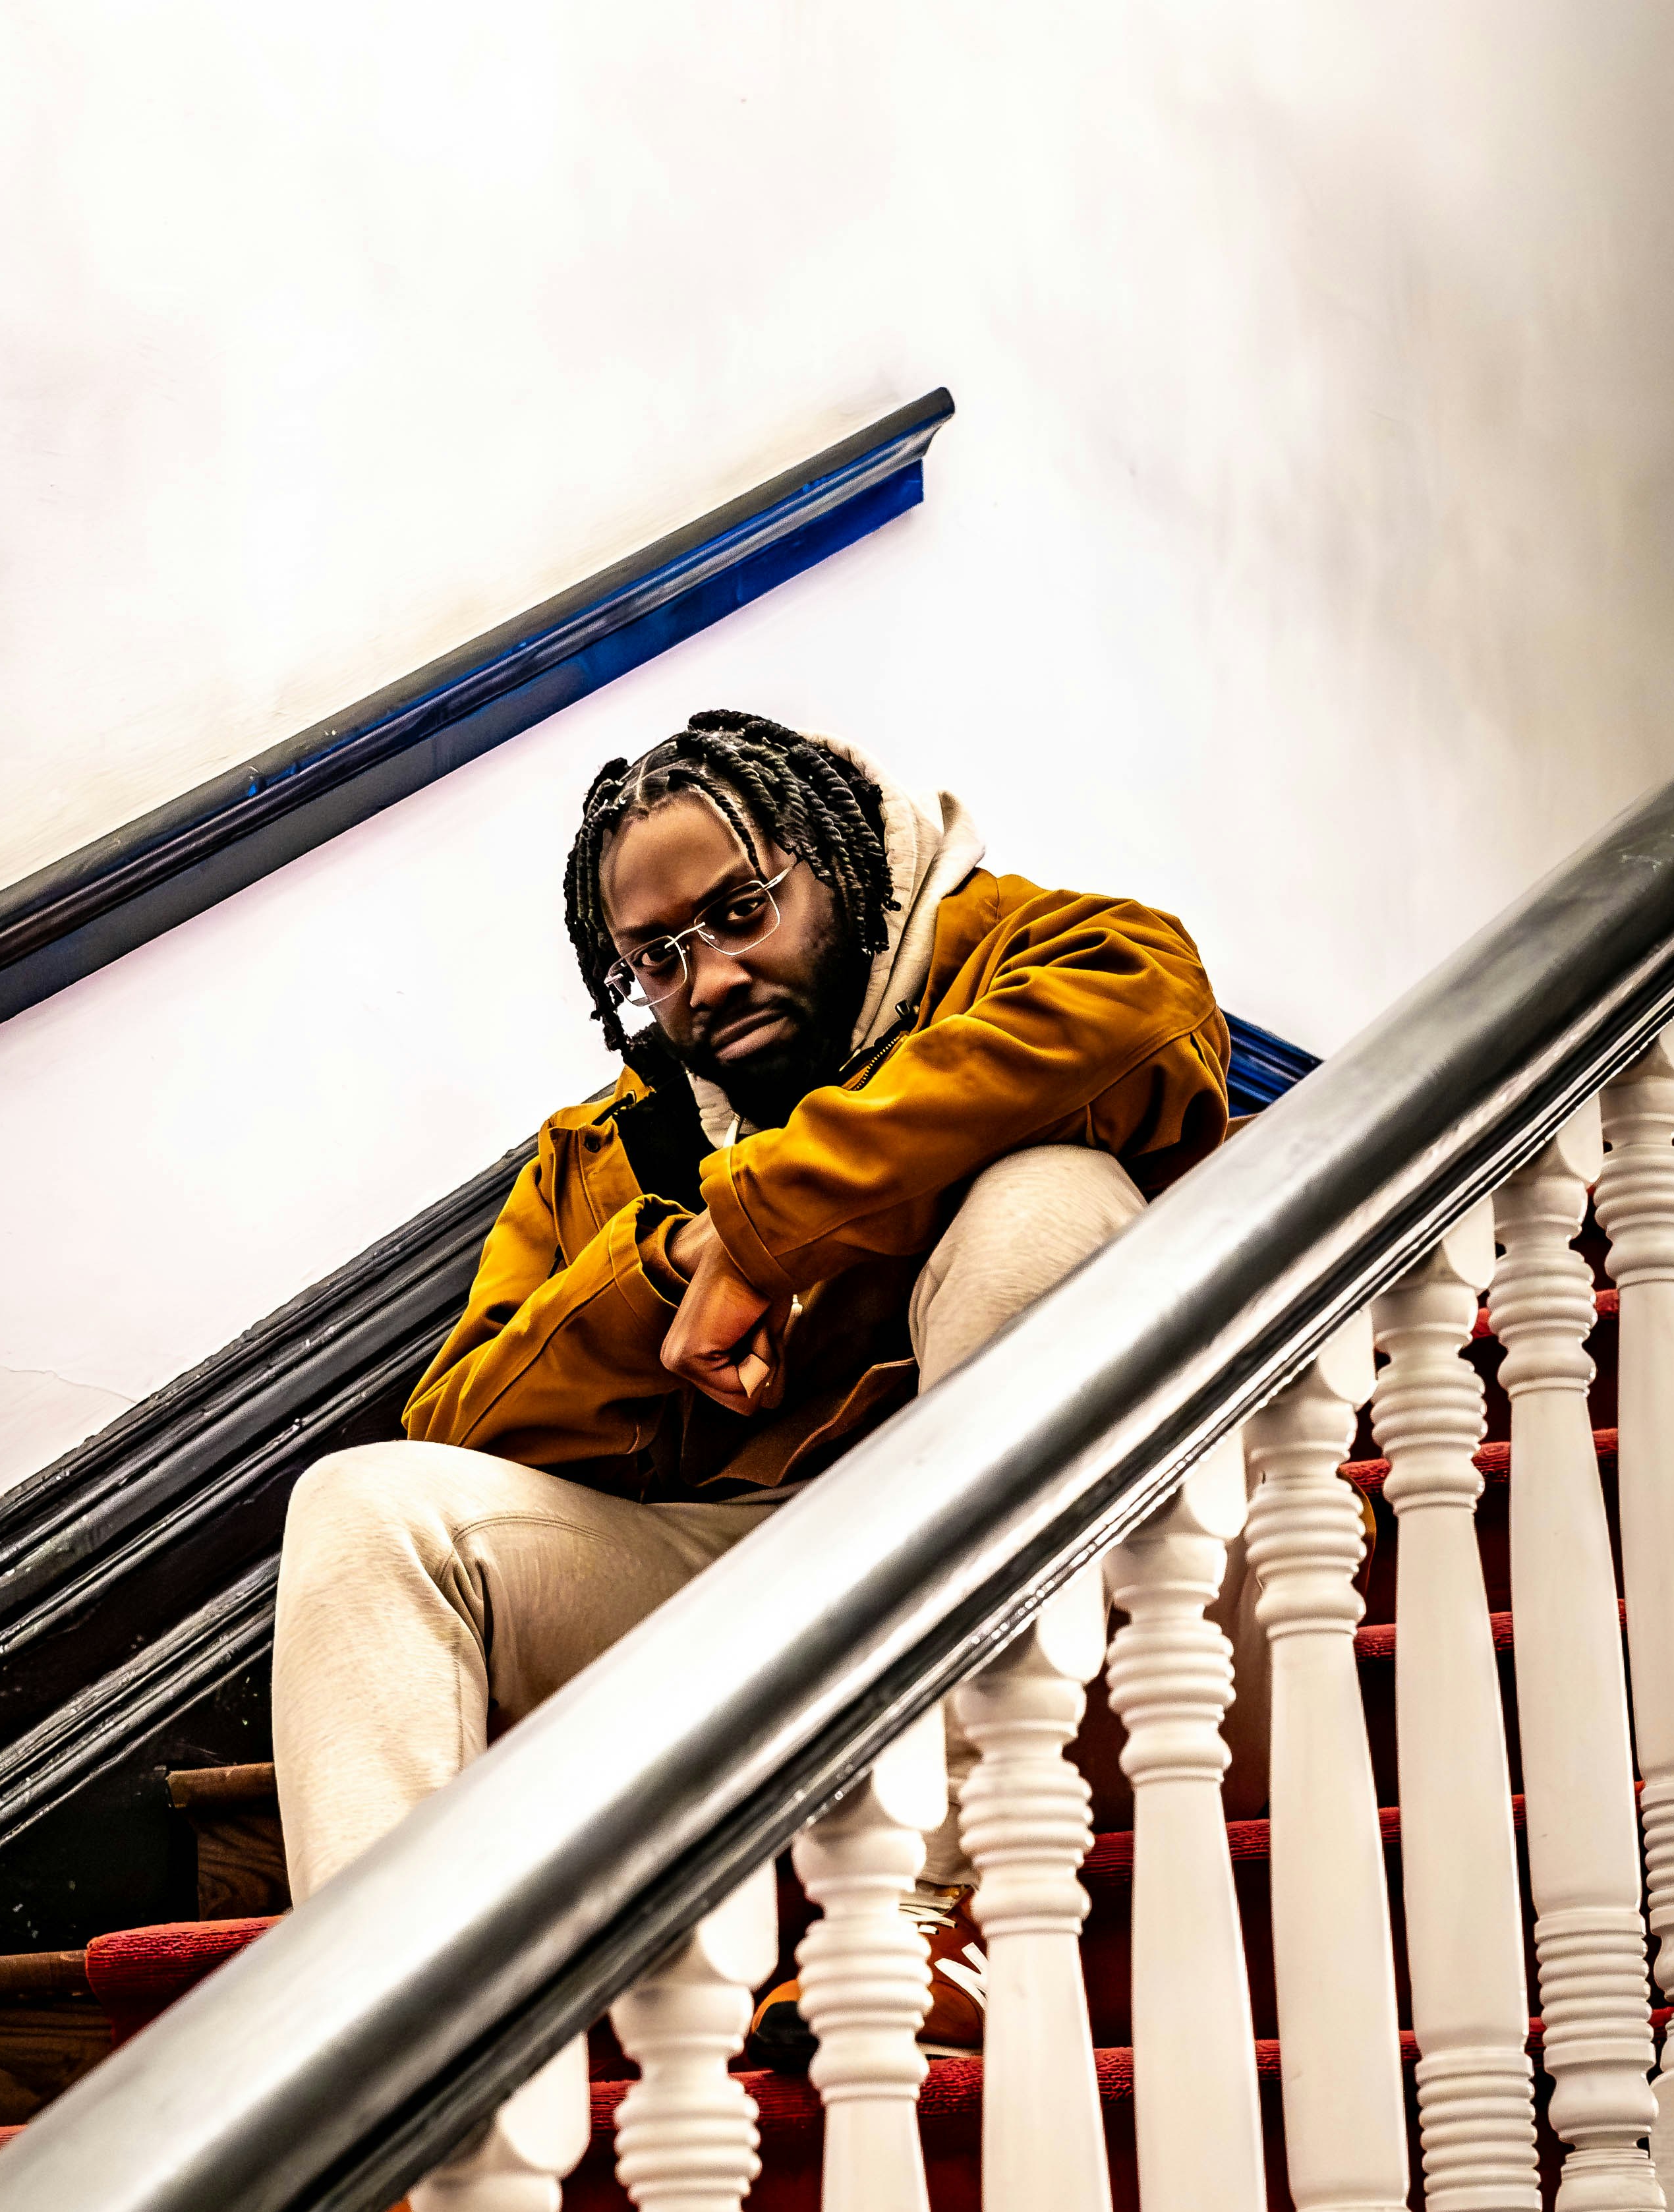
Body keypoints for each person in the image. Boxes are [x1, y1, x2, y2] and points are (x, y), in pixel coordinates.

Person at [271, 707, 1229, 1923]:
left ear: (836, 868)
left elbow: (1149, 1019)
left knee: (1043, 1199)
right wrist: (673, 1266)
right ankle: (361, 2042)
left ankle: (948, 1901)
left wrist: (772, 1218)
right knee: (359, 1502)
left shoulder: (1029, 951)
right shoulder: (604, 1154)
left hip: (1109, 1583)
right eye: (658, 957)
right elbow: (459, 1425)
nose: (710, 979)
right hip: (784, 1590)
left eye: (740, 913)